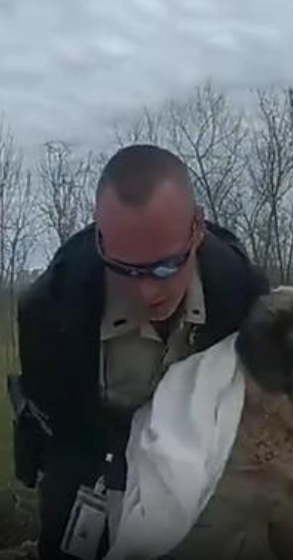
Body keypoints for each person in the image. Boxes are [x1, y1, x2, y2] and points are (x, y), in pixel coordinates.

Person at [10, 144, 270, 559]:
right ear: (100, 238)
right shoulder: (51, 311)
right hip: (95, 459)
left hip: (208, 469)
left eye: (165, 267)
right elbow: (60, 447)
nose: (148, 291)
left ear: (197, 229)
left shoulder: (241, 292)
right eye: (126, 269)